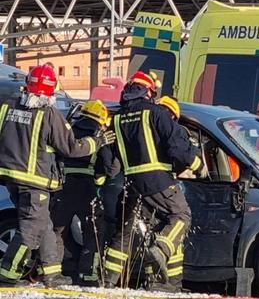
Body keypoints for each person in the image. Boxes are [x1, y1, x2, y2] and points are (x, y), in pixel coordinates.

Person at [0, 64, 115, 288]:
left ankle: (52, 274)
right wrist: (97, 141)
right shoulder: (49, 114)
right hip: (35, 181)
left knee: (43, 224)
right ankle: (8, 273)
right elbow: (72, 148)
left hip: (9, 177)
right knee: (32, 229)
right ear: (51, 90)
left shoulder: (7, 106)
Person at [103, 71, 202, 292]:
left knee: (145, 231)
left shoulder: (117, 118)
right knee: (181, 217)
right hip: (157, 180)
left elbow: (111, 159)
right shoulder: (155, 113)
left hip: (132, 185)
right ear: (148, 91)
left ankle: (146, 282)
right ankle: (162, 251)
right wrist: (197, 166)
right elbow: (177, 149)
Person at [52, 100, 116, 287]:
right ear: (102, 118)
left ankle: (56, 271)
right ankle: (88, 275)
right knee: (93, 232)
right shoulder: (100, 136)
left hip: (62, 187)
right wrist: (100, 179)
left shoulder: (68, 130)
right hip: (87, 190)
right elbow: (109, 168)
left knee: (57, 230)